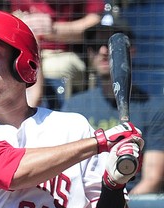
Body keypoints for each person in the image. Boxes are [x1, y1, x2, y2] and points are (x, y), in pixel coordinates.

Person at [0, 10, 144, 208]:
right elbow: (9, 170)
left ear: (22, 61)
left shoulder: (74, 128)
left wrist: (114, 183)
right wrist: (100, 143)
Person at [61, 7, 164, 195]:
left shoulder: (154, 108)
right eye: (96, 44)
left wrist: (116, 207)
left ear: (131, 51)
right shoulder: (74, 106)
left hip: (130, 202)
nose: (103, 50)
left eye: (111, 44)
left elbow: (152, 178)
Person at [10, 0, 105, 110]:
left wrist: (54, 29)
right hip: (23, 49)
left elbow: (96, 23)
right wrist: (18, 24)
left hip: (66, 52)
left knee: (54, 68)